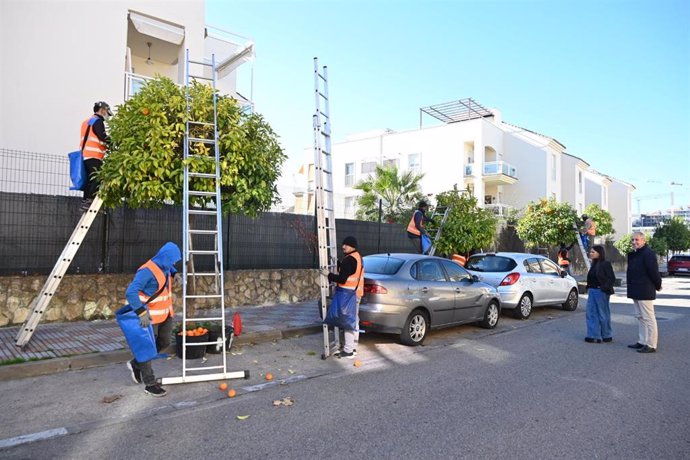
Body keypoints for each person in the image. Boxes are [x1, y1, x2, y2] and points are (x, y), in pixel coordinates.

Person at [125, 242, 181, 396]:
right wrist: (141, 313)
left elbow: (171, 268)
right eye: (173, 260)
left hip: (165, 314)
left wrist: (175, 273)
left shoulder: (165, 266)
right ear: (165, 258)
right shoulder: (146, 271)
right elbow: (131, 292)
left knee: (165, 342)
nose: (174, 263)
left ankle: (136, 363)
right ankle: (150, 383)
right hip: (149, 317)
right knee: (146, 348)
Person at [321, 236, 364, 359]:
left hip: (347, 294)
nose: (343, 246)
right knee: (354, 320)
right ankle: (354, 347)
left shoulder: (349, 260)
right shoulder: (358, 257)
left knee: (347, 322)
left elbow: (342, 279)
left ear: (352, 246)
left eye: (346, 245)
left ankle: (348, 350)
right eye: (343, 244)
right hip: (356, 293)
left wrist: (328, 274)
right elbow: (351, 272)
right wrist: (340, 265)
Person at [626, 232, 662, 354]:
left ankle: (651, 344)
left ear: (643, 241)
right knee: (640, 317)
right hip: (636, 289)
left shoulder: (648, 253)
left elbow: (654, 272)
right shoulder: (636, 254)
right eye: (633, 240)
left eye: (637, 240)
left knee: (648, 318)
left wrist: (658, 285)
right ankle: (642, 341)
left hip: (644, 289)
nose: (634, 242)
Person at [80, 101, 112, 212]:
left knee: (90, 179)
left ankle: (85, 201)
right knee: (97, 178)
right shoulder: (98, 121)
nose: (107, 115)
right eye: (107, 112)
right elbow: (102, 136)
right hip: (94, 155)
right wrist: (114, 141)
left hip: (85, 155)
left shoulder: (87, 121)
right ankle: (89, 200)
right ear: (102, 110)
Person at [584, 245, 616, 344]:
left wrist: (603, 288)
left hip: (601, 291)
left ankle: (607, 335)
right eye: (591, 252)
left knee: (603, 313)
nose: (591, 253)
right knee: (591, 313)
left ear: (599, 253)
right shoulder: (593, 264)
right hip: (592, 291)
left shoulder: (605, 264)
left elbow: (611, 278)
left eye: (593, 252)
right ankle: (593, 335)